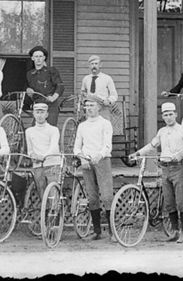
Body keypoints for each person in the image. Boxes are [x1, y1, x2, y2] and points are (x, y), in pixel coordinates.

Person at [129, 101, 183, 243]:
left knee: (181, 201)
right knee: (169, 202)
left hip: (178, 168)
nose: (168, 117)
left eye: (170, 114)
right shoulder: (161, 132)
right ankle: (174, 231)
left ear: (176, 115)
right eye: (165, 115)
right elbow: (152, 145)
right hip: (165, 169)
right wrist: (137, 153)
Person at [73, 98, 115, 241]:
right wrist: (83, 158)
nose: (89, 108)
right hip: (86, 163)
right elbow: (77, 147)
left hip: (102, 161)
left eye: (92, 105)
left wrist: (99, 155)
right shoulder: (82, 126)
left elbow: (108, 145)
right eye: (87, 106)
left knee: (107, 196)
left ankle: (112, 232)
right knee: (92, 197)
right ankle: (97, 231)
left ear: (99, 108)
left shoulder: (105, 124)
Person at [24, 101, 61, 199]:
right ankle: (44, 213)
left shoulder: (53, 130)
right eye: (37, 112)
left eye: (42, 112)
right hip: (37, 166)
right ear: (34, 114)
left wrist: (43, 156)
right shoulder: (29, 131)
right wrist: (33, 156)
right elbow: (30, 150)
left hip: (52, 165)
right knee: (42, 194)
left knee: (53, 195)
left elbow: (53, 147)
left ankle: (55, 212)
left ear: (47, 114)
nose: (40, 115)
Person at [25, 45, 63, 126]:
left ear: (44, 58)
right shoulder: (30, 74)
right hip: (38, 104)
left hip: (50, 105)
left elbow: (60, 86)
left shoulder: (51, 70)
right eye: (36, 56)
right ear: (32, 58)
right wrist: (29, 90)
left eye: (40, 56)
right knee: (35, 129)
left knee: (50, 128)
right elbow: (29, 88)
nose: (38, 58)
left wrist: (53, 97)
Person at [80, 54, 118, 122]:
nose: (94, 66)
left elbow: (114, 95)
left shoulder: (107, 78)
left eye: (96, 64)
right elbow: (83, 92)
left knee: (104, 128)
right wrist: (83, 96)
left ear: (100, 65)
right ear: (89, 66)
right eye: (92, 64)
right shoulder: (86, 79)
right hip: (90, 108)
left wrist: (108, 101)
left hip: (103, 108)